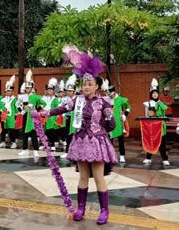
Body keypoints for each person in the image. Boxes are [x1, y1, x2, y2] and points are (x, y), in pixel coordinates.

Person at [40, 45, 116, 225]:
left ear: (97, 86)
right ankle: (80, 208)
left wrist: (106, 120)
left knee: (98, 177)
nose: (86, 86)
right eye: (84, 83)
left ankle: (104, 211)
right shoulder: (77, 100)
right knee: (82, 177)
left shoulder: (103, 102)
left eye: (90, 84)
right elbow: (61, 108)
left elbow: (112, 125)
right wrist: (43, 114)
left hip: (97, 143)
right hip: (81, 142)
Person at [17, 70, 46, 157]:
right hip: (25, 116)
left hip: (33, 116)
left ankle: (36, 150)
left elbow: (43, 103)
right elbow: (17, 104)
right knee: (24, 133)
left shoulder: (36, 96)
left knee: (33, 133)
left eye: (29, 88)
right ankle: (25, 149)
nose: (27, 89)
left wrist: (36, 109)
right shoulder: (23, 96)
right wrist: (20, 111)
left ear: (32, 88)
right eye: (26, 88)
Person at [143, 78, 170, 166]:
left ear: (158, 94)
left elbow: (164, 115)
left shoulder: (162, 104)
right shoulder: (148, 104)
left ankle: (164, 158)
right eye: (153, 93)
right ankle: (148, 157)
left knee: (162, 143)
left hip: (160, 126)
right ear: (151, 94)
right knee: (151, 141)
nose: (155, 95)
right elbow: (146, 116)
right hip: (151, 127)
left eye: (156, 93)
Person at [106, 84, 131, 163]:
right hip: (109, 122)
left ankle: (122, 156)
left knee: (120, 140)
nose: (110, 96)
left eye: (111, 94)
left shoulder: (121, 99)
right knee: (110, 140)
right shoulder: (107, 99)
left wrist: (125, 115)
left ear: (114, 93)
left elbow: (128, 107)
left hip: (119, 123)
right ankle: (111, 155)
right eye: (108, 95)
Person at [60, 75, 77, 159]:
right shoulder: (65, 99)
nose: (69, 92)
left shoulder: (78, 99)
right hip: (68, 119)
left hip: (75, 120)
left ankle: (75, 152)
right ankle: (67, 152)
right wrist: (63, 114)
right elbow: (61, 108)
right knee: (68, 136)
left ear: (74, 91)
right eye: (68, 91)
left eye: (70, 91)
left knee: (75, 136)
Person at [0, 75, 18, 149]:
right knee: (3, 130)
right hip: (4, 117)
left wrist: (16, 118)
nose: (8, 92)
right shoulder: (3, 99)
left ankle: (13, 142)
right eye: (7, 91)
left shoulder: (14, 99)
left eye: (9, 91)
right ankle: (3, 142)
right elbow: (1, 108)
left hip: (11, 117)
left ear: (12, 91)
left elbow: (16, 109)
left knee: (11, 130)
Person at [42, 78, 59, 151]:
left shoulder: (55, 99)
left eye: (50, 90)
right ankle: (45, 144)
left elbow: (57, 108)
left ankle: (52, 144)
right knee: (45, 131)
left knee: (51, 131)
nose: (49, 91)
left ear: (53, 91)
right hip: (46, 117)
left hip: (52, 117)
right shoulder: (46, 98)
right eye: (48, 90)